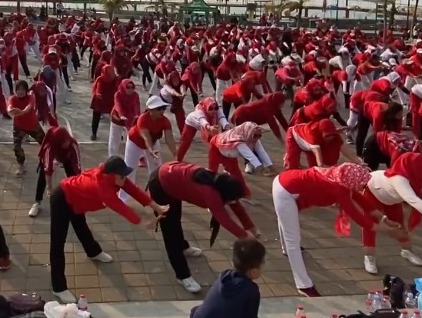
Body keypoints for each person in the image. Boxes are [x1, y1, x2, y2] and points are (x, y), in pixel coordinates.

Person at [49, 156, 168, 303]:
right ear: (112, 175)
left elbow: (134, 190)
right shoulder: (103, 189)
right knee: (57, 243)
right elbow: (123, 209)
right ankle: (58, 287)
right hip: (61, 199)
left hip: (75, 199)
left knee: (81, 226)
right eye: (122, 176)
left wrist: (157, 207)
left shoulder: (116, 178)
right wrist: (145, 222)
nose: (125, 178)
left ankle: (93, 252)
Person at [273, 163, 398, 296]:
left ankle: (286, 249)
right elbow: (358, 217)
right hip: (285, 191)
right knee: (293, 240)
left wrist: (384, 219)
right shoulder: (339, 188)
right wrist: (389, 231)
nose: (363, 187)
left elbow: (362, 201)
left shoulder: (340, 177)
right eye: (361, 184)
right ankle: (304, 286)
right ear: (352, 181)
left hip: (285, 181)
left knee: (287, 222)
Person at [148, 161, 255, 294]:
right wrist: (245, 236)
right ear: (226, 195)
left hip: (173, 180)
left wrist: (250, 226)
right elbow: (224, 219)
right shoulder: (212, 193)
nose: (233, 202)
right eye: (232, 199)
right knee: (170, 230)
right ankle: (183, 275)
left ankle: (183, 247)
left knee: (175, 219)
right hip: (160, 185)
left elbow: (236, 206)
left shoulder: (223, 185)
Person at [189, 237, 265, 318]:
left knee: (202, 311)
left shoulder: (225, 275)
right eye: (263, 262)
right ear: (254, 271)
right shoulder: (251, 291)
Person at [29, 125, 82, 218]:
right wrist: (49, 189)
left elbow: (77, 165)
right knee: (42, 175)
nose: (67, 143)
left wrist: (78, 186)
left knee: (73, 175)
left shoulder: (72, 144)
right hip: (55, 154)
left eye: (67, 140)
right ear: (59, 142)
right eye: (64, 142)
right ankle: (37, 202)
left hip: (67, 157)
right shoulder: (50, 146)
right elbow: (47, 168)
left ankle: (74, 200)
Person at [8, 80, 46, 177]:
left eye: (22, 89)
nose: (20, 92)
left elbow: (29, 107)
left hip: (33, 125)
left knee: (45, 143)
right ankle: (21, 166)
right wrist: (11, 110)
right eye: (18, 89)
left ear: (26, 90)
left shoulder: (30, 97)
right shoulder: (12, 98)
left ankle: (53, 159)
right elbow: (9, 108)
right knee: (16, 147)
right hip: (19, 127)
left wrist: (21, 112)